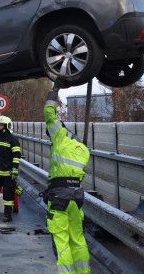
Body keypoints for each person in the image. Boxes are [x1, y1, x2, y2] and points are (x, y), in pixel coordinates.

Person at [44, 79, 91, 274]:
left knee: (61, 240)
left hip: (58, 196)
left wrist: (54, 91)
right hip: (76, 196)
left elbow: (49, 114)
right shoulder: (83, 150)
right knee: (77, 240)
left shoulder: (59, 135)